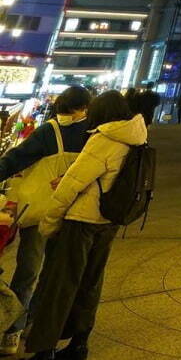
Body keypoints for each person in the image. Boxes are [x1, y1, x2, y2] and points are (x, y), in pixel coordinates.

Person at [24, 90, 146, 360]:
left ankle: (45, 351)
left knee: (61, 286)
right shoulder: (136, 136)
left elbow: (72, 185)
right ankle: (79, 344)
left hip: (82, 222)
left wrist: (50, 221)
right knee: (91, 283)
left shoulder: (104, 139)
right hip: (109, 221)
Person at [0, 86, 92, 354]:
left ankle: (13, 330)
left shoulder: (49, 131)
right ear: (84, 108)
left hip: (40, 213)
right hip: (73, 215)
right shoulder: (92, 134)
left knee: (28, 270)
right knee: (53, 274)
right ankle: (32, 327)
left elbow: (14, 160)